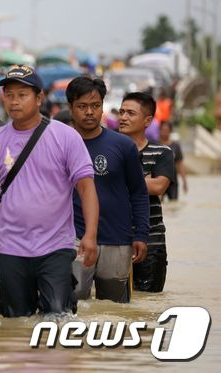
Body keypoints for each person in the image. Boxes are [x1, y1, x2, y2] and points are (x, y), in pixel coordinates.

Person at [0, 65, 99, 317]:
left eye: (22, 95)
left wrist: (91, 235)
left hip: (55, 246)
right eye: (9, 95)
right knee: (15, 320)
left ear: (39, 98)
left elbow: (86, 188)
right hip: (9, 247)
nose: (14, 101)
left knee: (57, 315)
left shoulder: (65, 137)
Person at [66, 77, 149, 303]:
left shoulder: (123, 145)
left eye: (95, 106)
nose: (90, 112)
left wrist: (141, 233)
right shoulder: (59, 145)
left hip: (117, 240)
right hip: (72, 239)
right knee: (72, 306)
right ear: (70, 108)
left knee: (115, 311)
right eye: (82, 107)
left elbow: (139, 193)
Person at [119, 92, 175, 292]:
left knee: (147, 307)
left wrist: (117, 180)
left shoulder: (162, 152)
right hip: (114, 240)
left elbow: (159, 187)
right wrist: (144, 180)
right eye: (122, 111)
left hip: (151, 241)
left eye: (131, 113)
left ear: (147, 120)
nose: (123, 117)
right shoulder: (110, 150)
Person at [159, 121, 188, 200]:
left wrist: (184, 181)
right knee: (159, 205)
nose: (164, 133)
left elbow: (180, 164)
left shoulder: (175, 146)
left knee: (173, 204)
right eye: (163, 130)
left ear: (170, 131)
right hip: (158, 180)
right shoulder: (155, 145)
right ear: (159, 130)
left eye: (167, 131)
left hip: (172, 181)